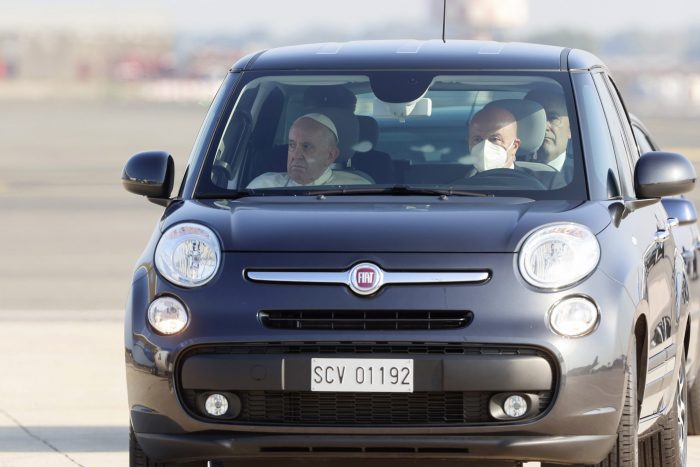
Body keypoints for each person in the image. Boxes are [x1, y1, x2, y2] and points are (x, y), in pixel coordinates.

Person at [247, 113, 371, 188]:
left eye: (306, 146)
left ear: (330, 155)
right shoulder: (262, 186)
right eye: (292, 145)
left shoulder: (358, 191)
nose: (296, 155)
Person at [525, 87, 572, 174]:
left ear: (570, 129)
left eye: (553, 118)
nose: (544, 126)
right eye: (536, 118)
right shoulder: (509, 168)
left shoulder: (585, 174)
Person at [467, 104, 521, 172]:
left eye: (495, 139)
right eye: (477, 139)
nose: (484, 147)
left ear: (514, 147)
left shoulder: (534, 181)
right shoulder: (461, 181)